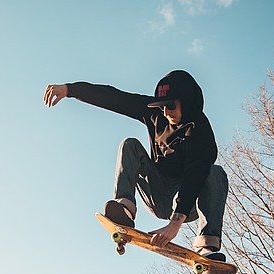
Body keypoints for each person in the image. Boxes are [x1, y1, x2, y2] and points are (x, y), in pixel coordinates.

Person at [44, 70, 228, 261]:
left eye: (171, 106)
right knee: (130, 144)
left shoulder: (200, 130)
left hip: (187, 201)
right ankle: (125, 208)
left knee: (215, 173)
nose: (166, 112)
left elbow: (194, 176)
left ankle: (206, 245)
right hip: (157, 193)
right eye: (162, 107)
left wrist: (175, 224)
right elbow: (116, 98)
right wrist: (70, 90)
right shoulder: (155, 114)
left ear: (187, 101)